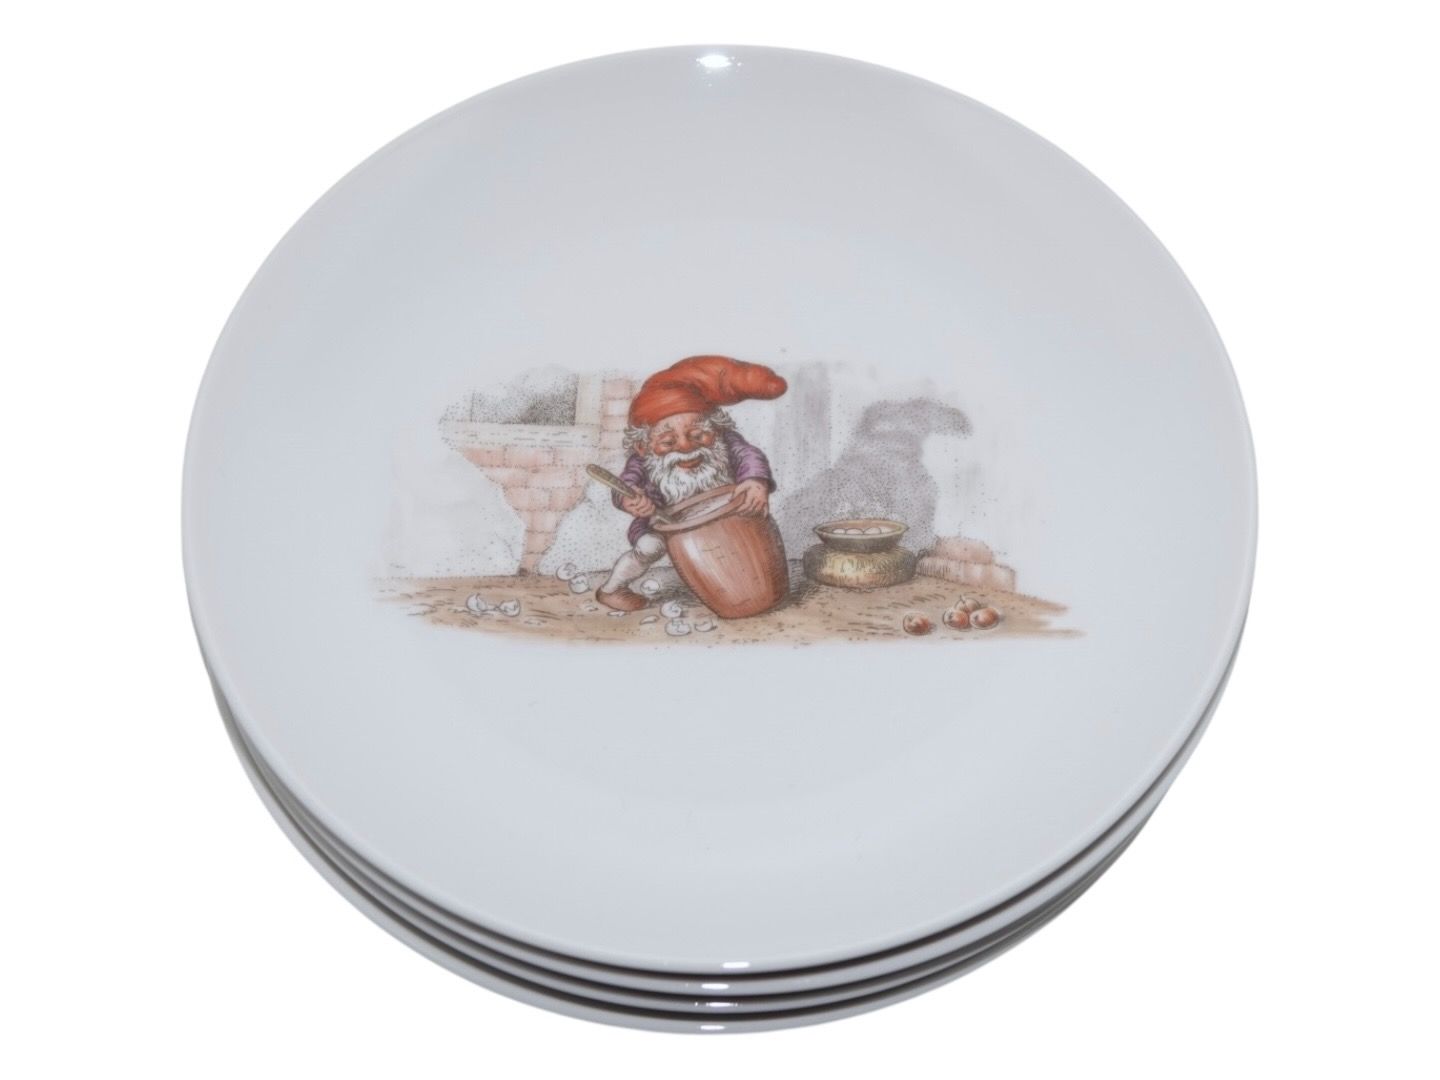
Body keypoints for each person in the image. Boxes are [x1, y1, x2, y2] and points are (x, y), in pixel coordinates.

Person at [596, 355, 787, 611]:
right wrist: (630, 498)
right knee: (649, 547)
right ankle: (612, 589)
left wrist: (755, 481)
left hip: (728, 517)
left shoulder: (727, 442)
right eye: (668, 442)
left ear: (716, 430)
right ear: (643, 446)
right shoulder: (641, 461)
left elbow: (749, 456)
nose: (686, 447)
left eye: (698, 435)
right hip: (664, 523)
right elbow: (626, 484)